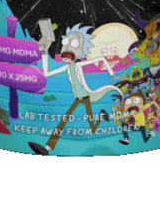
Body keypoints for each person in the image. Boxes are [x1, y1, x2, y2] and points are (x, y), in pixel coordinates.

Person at [28, 23, 123, 156]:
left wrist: (113, 76)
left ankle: (101, 115)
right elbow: (47, 73)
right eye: (66, 42)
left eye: (74, 43)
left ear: (80, 51)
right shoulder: (66, 67)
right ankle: (47, 148)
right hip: (77, 99)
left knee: (92, 128)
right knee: (63, 122)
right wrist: (44, 52)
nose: (67, 48)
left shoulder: (80, 65)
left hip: (87, 97)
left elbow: (102, 58)